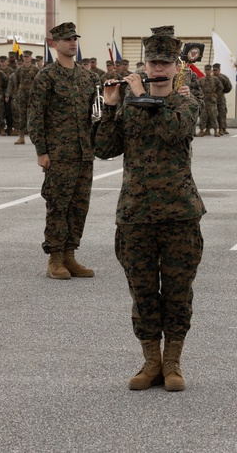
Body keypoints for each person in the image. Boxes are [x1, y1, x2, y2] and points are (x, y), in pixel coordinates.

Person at [93, 29, 204, 392]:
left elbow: (172, 130)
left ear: (175, 68)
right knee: (141, 291)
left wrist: (139, 96)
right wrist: (110, 107)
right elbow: (105, 149)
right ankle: (150, 361)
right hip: (136, 213)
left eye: (165, 63)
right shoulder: (127, 104)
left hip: (179, 214)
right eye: (153, 62)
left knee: (177, 291)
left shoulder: (186, 103)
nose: (158, 68)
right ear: (144, 64)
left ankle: (173, 363)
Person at [28, 22, 97, 280]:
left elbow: (95, 114)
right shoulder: (46, 77)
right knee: (58, 205)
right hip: (58, 154)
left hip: (84, 153)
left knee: (79, 206)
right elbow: (36, 115)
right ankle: (55, 257)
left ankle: (70, 254)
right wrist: (41, 151)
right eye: (67, 39)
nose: (72, 43)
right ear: (54, 44)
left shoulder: (89, 77)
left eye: (74, 38)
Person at [198, 64, 223, 136]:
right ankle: (201, 130)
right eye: (206, 70)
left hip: (212, 100)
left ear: (211, 71)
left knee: (213, 115)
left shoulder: (215, 79)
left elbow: (220, 87)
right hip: (204, 100)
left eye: (209, 70)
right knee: (203, 116)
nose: (207, 72)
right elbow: (197, 88)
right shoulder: (201, 80)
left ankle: (216, 131)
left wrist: (216, 94)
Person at [212, 63, 232, 135]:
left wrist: (223, 92)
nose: (215, 72)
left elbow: (229, 87)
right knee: (213, 114)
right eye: (213, 70)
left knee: (222, 113)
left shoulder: (223, 78)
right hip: (212, 98)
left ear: (219, 70)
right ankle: (212, 129)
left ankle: (222, 128)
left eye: (216, 70)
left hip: (220, 98)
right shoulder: (211, 78)